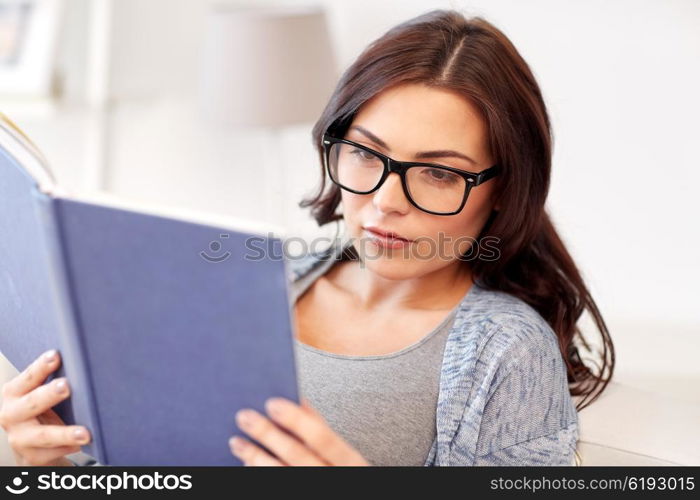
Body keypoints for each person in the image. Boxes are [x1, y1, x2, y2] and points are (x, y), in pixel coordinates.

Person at [0, 9, 613, 466]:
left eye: (438, 173)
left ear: (503, 188)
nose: (384, 200)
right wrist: (55, 460)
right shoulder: (258, 277)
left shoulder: (508, 352)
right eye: (366, 154)